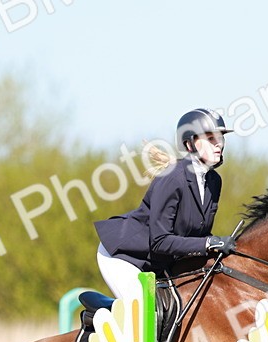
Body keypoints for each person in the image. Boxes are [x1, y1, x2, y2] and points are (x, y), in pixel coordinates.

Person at [93, 108, 237, 298]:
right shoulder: (172, 178)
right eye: (210, 138)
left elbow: (199, 234)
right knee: (145, 317)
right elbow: (160, 241)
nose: (219, 144)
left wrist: (219, 246)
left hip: (158, 264)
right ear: (190, 143)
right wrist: (209, 243)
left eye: (220, 138)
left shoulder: (214, 181)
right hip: (124, 257)